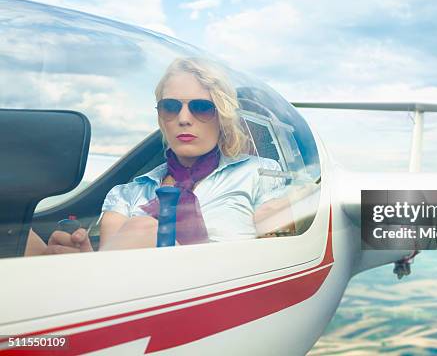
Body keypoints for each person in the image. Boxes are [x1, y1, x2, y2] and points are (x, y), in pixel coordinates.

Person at [25, 58, 285, 255]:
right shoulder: (126, 193)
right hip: (138, 304)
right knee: (22, 240)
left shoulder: (260, 173)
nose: (183, 119)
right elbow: (113, 270)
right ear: (161, 117)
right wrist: (85, 258)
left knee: (144, 228)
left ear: (222, 116)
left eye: (202, 107)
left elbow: (279, 259)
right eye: (171, 107)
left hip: (224, 301)